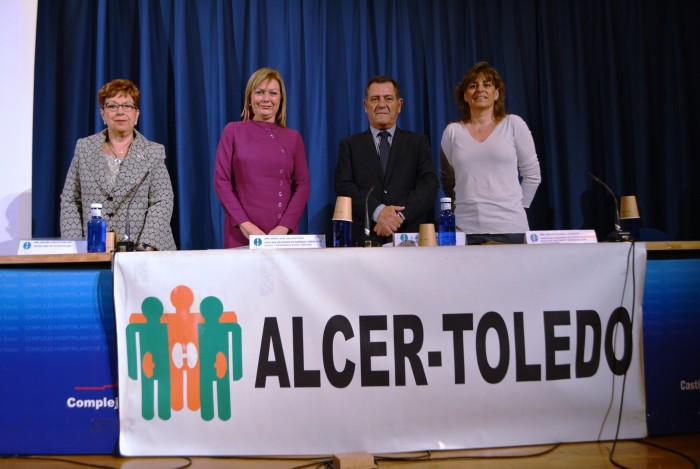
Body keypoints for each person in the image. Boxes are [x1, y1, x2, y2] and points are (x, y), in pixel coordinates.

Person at [60, 79, 176, 251]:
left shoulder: (153, 152)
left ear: (137, 114)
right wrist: (74, 246)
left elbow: (162, 201)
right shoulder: (84, 148)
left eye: (127, 106)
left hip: (144, 252)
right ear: (103, 113)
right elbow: (70, 200)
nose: (120, 111)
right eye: (112, 106)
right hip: (94, 250)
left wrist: (147, 245)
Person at [440, 61, 541, 245]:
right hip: (465, 231)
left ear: (496, 94)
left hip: (510, 230)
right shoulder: (452, 132)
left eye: (487, 85)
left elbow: (533, 175)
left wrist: (518, 208)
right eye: (473, 86)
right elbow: (448, 180)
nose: (480, 90)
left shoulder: (513, 124)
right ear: (465, 95)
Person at [335, 76, 438, 246]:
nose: (381, 104)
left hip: (408, 238)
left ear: (400, 105)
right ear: (365, 105)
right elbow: (344, 186)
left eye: (388, 98)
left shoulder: (418, 142)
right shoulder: (349, 145)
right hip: (365, 240)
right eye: (375, 99)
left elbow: (429, 184)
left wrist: (398, 217)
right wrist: (378, 211)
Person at [214, 68, 311, 248]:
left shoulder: (293, 138)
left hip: (283, 236)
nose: (266, 99)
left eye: (273, 93)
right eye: (259, 92)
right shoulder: (233, 131)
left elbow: (303, 185)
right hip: (241, 233)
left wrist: (284, 227)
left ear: (280, 99)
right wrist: (245, 225)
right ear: (250, 98)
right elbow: (221, 181)